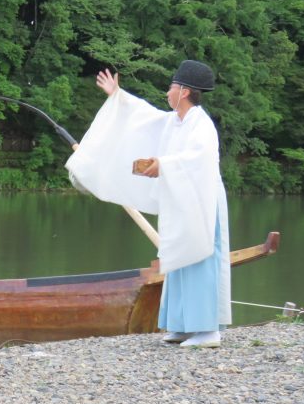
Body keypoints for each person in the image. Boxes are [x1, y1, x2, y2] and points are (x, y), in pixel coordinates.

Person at [66, 60, 230, 348]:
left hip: (203, 199)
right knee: (179, 255)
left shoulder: (201, 125)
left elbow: (198, 159)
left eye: (172, 87)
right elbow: (143, 118)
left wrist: (163, 165)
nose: (168, 91)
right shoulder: (174, 122)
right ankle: (182, 325)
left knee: (201, 255)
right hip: (183, 199)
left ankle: (208, 330)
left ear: (185, 91)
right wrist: (117, 96)